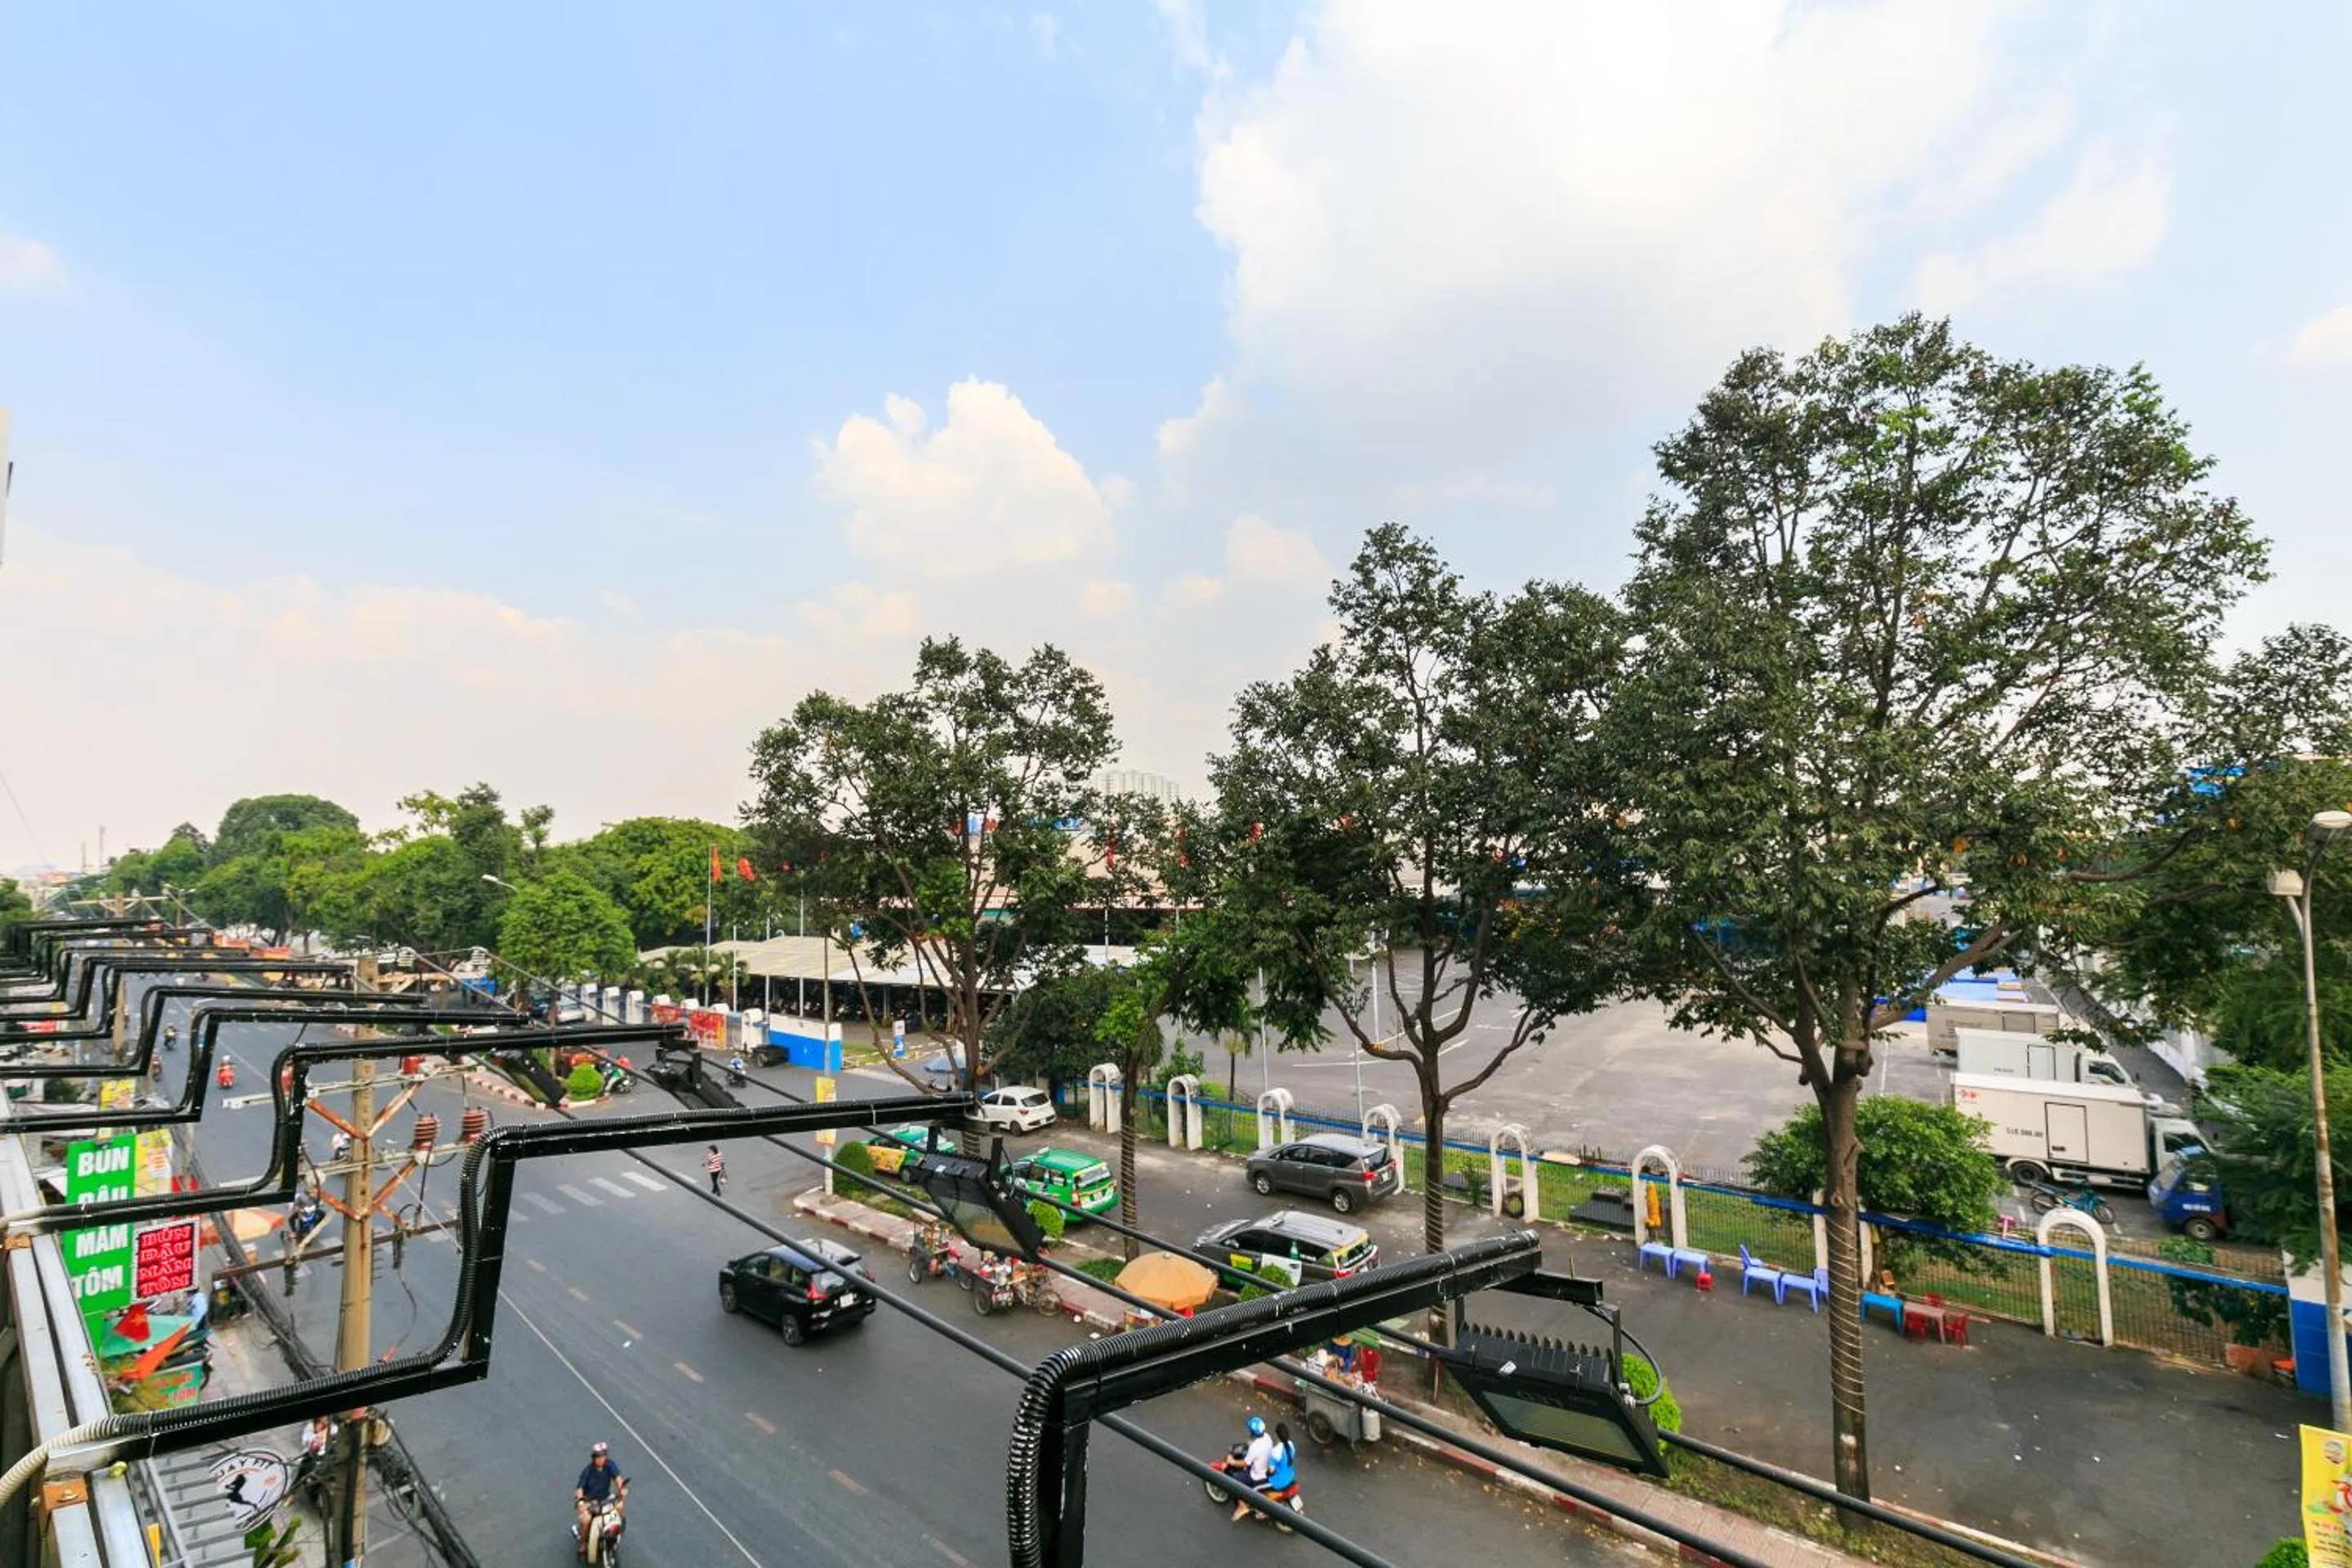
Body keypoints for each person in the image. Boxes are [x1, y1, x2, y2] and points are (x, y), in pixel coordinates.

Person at [575, 1441, 626, 1548]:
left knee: (620, 1506)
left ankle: (617, 1532)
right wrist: (581, 1503)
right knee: (585, 1521)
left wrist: (621, 1489)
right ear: (593, 1458)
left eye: (603, 1456)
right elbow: (579, 1489)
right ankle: (582, 1541)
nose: (601, 1459)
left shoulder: (610, 1465)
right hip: (591, 1502)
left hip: (606, 1498)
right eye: (598, 1457)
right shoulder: (587, 1471)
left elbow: (618, 1479)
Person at [1232, 1414, 1273, 1521]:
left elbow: (1245, 1463)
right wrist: (1248, 1444)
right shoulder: (1267, 1437)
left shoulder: (1255, 1447)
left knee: (1235, 1480)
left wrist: (1232, 1461)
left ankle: (1242, 1506)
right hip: (1267, 1469)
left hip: (1257, 1476)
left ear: (1253, 1432)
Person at [1263, 1420, 1298, 1504]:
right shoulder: (1291, 1445)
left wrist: (1266, 1472)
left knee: (1257, 1486)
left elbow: (1270, 1470)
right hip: (1290, 1476)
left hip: (1278, 1482)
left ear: (1276, 1435)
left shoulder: (1275, 1451)